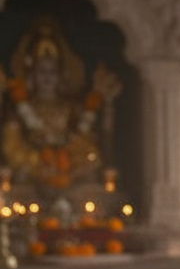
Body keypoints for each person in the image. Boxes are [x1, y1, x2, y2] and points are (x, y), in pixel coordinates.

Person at [1, 18, 118, 191]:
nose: (47, 77)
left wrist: (67, 155)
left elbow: (85, 141)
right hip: (31, 166)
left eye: (52, 72)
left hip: (69, 164)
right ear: (31, 75)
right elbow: (11, 145)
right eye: (42, 71)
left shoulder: (70, 106)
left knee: (92, 158)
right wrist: (37, 160)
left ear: (61, 75)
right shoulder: (19, 108)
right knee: (17, 167)